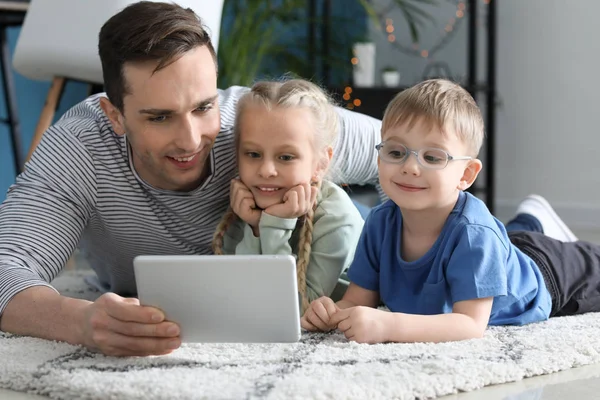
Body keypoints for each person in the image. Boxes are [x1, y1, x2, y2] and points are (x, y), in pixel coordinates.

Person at [0, 1, 381, 357]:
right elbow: (6, 266)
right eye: (159, 117)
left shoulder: (261, 125)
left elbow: (418, 151)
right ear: (115, 115)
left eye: (203, 107)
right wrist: (80, 321)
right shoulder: (81, 146)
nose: (191, 140)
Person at [301, 78, 600, 344]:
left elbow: (470, 324)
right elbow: (357, 300)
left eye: (432, 157)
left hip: (551, 275)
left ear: (466, 175)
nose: (410, 167)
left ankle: (538, 224)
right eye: (395, 152)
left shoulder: (474, 234)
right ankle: (533, 220)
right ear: (379, 159)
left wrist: (389, 324)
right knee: (507, 240)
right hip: (504, 249)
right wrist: (330, 313)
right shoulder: (380, 222)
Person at [211, 79, 364, 314]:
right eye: (253, 154)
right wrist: (254, 228)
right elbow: (240, 299)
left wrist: (274, 225)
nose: (266, 170)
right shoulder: (244, 202)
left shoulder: (338, 219)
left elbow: (294, 309)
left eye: (285, 157)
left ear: (321, 163)